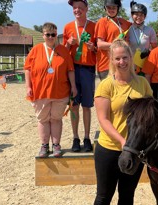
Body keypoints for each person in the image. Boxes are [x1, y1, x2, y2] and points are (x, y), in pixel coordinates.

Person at [93, 39, 158, 205]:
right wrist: (122, 142)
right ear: (112, 60)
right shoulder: (106, 85)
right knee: (104, 196)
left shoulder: (142, 83)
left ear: (131, 57)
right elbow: (103, 120)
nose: (122, 62)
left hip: (135, 150)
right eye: (118, 58)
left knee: (127, 195)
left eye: (125, 57)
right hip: (110, 149)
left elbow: (153, 107)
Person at [24, 22, 77, 158]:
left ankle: (56, 145)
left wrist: (74, 86)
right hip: (40, 92)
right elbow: (27, 69)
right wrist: (28, 86)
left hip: (60, 92)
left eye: (53, 34)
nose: (51, 37)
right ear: (43, 35)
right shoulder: (36, 50)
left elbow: (70, 70)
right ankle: (44, 145)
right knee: (43, 119)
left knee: (56, 119)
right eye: (48, 34)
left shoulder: (64, 51)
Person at [63, 0, 96, 152]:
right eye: (75, 8)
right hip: (72, 70)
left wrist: (93, 47)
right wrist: (69, 43)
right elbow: (63, 52)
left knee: (87, 106)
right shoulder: (68, 27)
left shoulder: (94, 26)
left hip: (88, 69)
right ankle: (75, 138)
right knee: (74, 105)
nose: (77, 10)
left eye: (80, 8)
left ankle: (87, 137)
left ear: (86, 9)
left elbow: (99, 50)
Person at [94, 0, 131, 81]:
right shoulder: (102, 22)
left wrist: (133, 10)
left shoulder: (123, 22)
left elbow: (136, 24)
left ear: (118, 8)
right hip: (106, 65)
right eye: (108, 7)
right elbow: (100, 44)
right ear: (105, 9)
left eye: (114, 7)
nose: (111, 10)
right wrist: (118, 46)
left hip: (122, 64)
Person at [127, 1, 157, 75]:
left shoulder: (150, 30)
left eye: (141, 15)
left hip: (144, 63)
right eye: (136, 14)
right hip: (129, 64)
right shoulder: (128, 29)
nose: (139, 17)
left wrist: (149, 52)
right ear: (132, 15)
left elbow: (155, 48)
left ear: (145, 16)